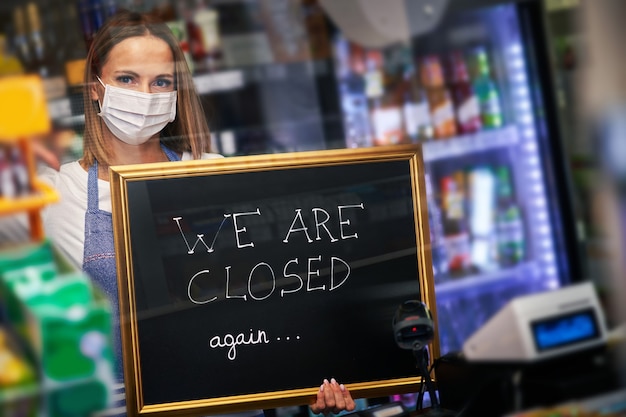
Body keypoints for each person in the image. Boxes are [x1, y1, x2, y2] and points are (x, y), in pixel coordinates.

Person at [5, 9, 355, 417]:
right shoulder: (54, 195)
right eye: (127, 79)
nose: (145, 95)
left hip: (227, 405)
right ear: (96, 86)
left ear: (176, 92)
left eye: (161, 82)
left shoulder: (214, 172)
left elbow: (269, 303)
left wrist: (308, 380)